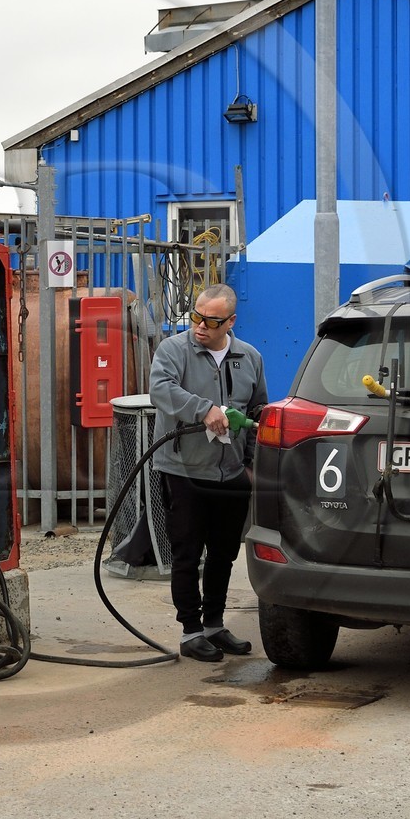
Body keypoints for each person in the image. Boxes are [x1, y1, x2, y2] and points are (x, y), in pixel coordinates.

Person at [149, 283, 268, 662]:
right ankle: (191, 631)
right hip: (184, 470)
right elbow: (160, 389)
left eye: (211, 321)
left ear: (231, 321)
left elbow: (257, 412)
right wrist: (203, 409)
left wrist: (249, 466)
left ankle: (214, 625)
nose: (200, 326)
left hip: (230, 473)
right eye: (196, 316)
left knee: (224, 552)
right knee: (187, 553)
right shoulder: (173, 350)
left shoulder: (249, 357)